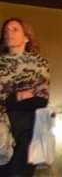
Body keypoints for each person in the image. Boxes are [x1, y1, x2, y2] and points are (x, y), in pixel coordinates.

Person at [0, 18, 49, 177]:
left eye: (15, 29)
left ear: (26, 37)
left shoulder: (38, 63)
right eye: (6, 30)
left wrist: (8, 100)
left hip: (27, 131)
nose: (9, 33)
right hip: (2, 131)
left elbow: (41, 99)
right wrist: (18, 96)